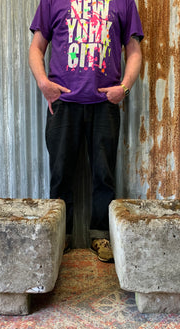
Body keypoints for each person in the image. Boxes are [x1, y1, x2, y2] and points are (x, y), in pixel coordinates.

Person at [29, 0, 143, 262]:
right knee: (60, 174)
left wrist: (123, 88)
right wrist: (43, 83)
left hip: (104, 103)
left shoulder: (123, 2)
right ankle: (60, 237)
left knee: (104, 174)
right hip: (64, 103)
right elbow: (36, 48)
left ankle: (100, 234)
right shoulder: (51, 1)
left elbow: (134, 51)